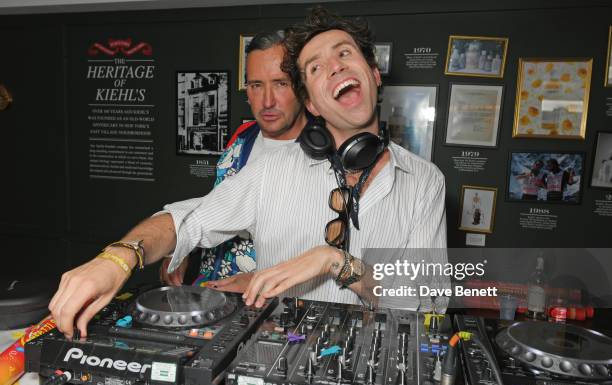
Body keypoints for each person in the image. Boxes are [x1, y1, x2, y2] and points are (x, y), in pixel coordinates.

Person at [49, 7, 448, 339]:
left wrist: (337, 262)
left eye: (344, 54)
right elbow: (186, 219)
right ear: (311, 104)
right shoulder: (272, 171)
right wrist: (118, 258)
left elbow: (427, 305)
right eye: (315, 67)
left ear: (373, 74)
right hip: (276, 363)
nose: (333, 67)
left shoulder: (426, 182)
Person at [160, 31, 308, 287]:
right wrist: (183, 248)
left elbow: (333, 254)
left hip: (273, 307)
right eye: (256, 85)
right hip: (209, 295)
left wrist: (258, 280)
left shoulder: (326, 156)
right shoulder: (242, 137)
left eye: (281, 83)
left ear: (303, 88)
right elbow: (216, 208)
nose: (267, 101)